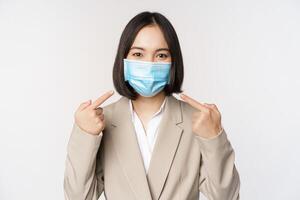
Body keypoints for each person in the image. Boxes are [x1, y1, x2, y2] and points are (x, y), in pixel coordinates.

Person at [63, 11, 240, 200]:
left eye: (161, 55)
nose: (149, 64)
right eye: (138, 54)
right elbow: (77, 197)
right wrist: (84, 135)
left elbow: (227, 196)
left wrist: (214, 138)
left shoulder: (197, 121)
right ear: (124, 59)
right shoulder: (100, 122)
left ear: (173, 62)